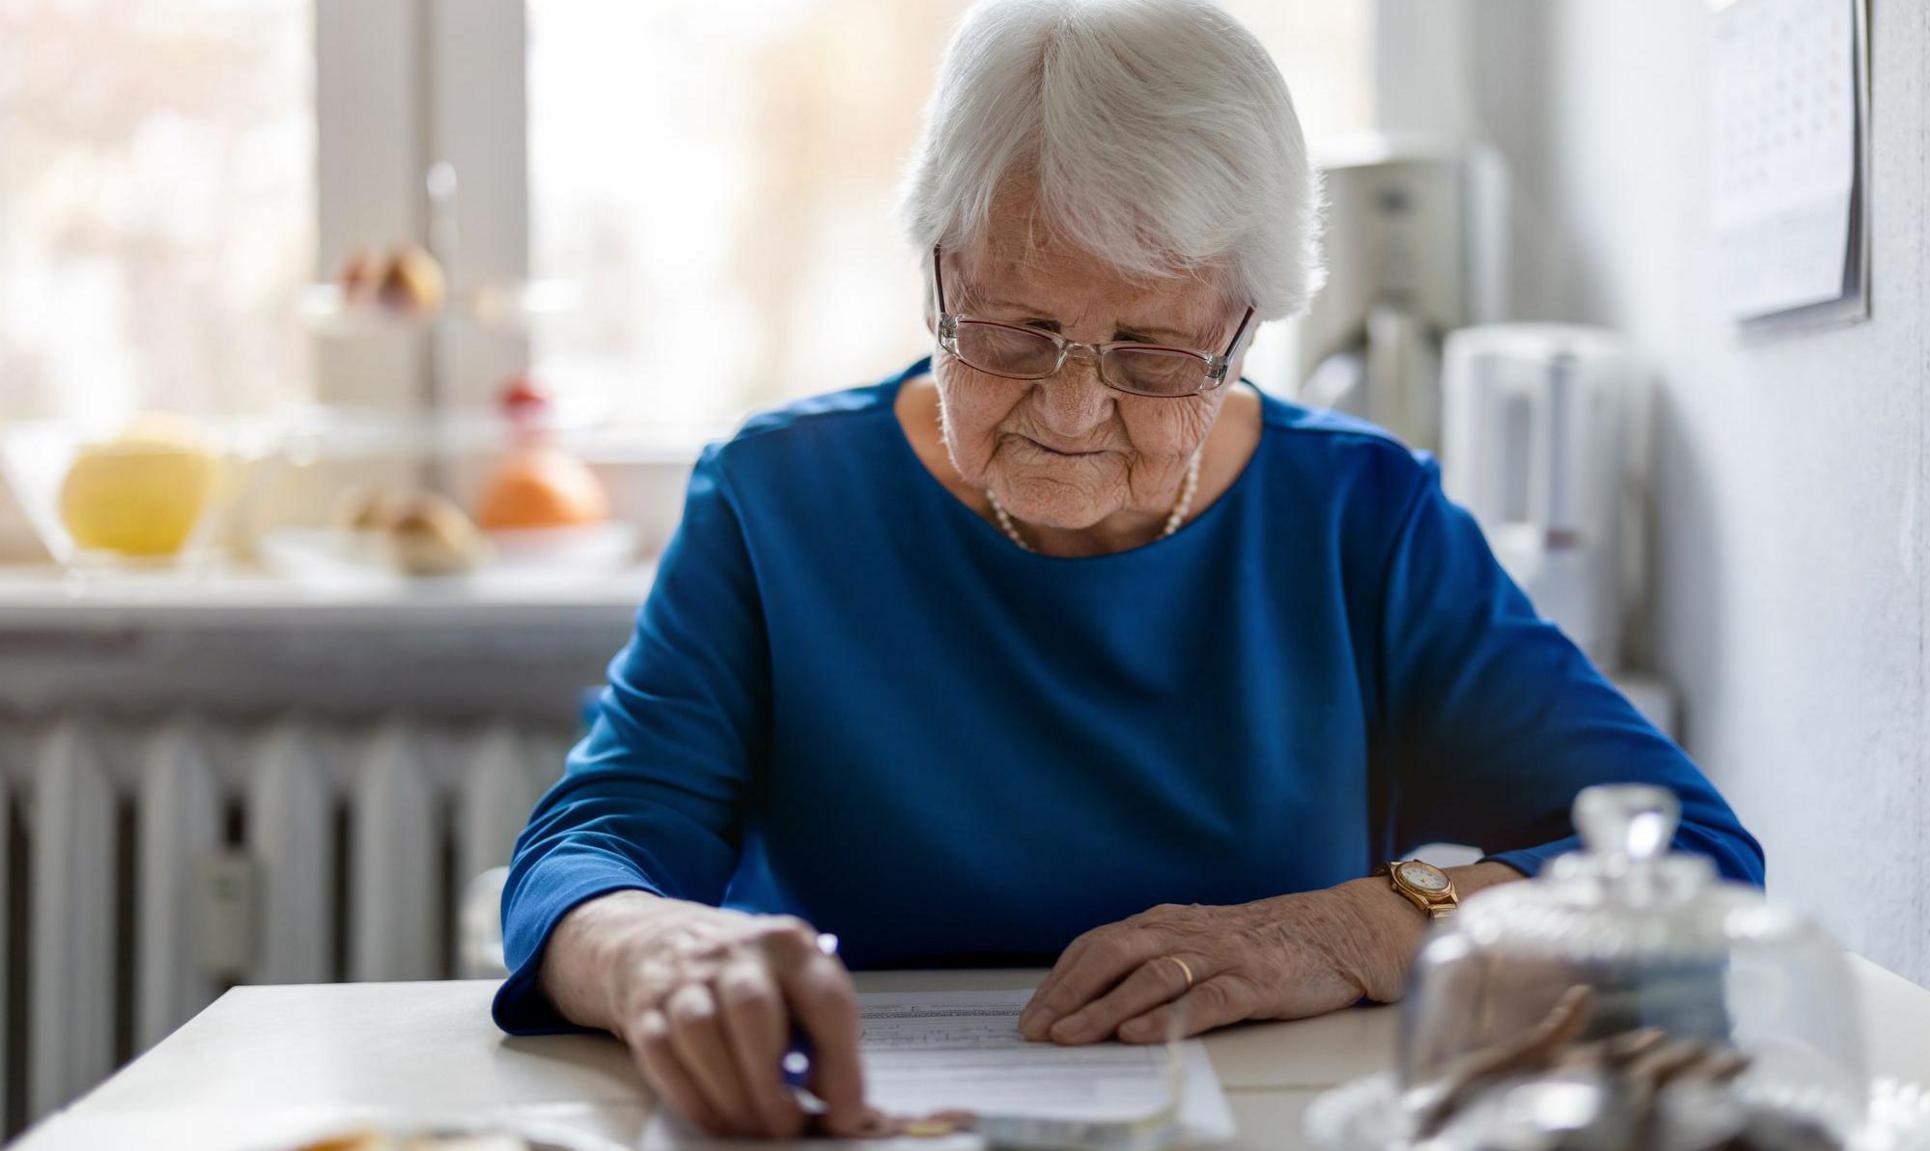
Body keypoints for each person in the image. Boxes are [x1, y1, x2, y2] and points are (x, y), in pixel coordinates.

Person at [493, 0, 1764, 1139]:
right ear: (934, 271)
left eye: (1151, 354)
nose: (1068, 406)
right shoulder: (779, 499)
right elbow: (593, 843)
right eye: (1008, 330)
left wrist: (1354, 929)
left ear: (1241, 330)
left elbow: (1693, 860)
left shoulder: (1356, 515)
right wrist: (650, 947)